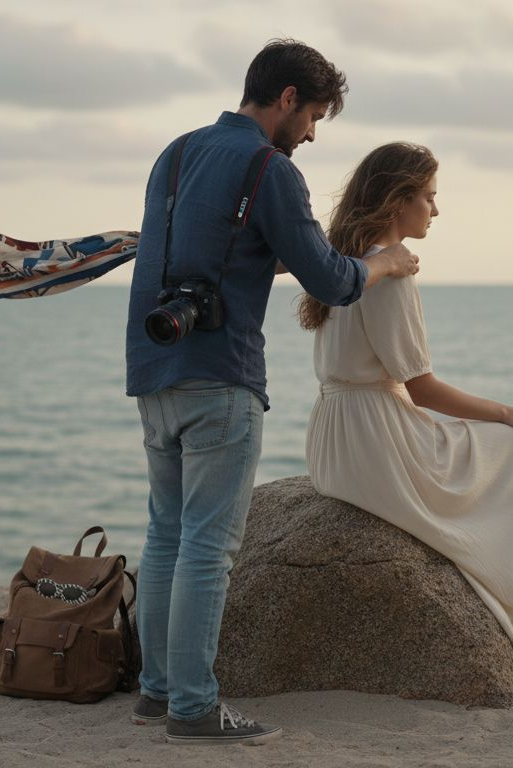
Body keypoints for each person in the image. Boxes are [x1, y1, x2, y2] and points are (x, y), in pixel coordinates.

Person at [124, 41, 419, 744]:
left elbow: (204, 253)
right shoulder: (270, 167)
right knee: (208, 546)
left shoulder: (176, 152)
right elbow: (333, 280)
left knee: (166, 535)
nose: (313, 134)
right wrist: (382, 260)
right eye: (314, 116)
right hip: (221, 374)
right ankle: (193, 707)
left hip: (152, 366)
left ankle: (156, 690)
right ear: (287, 99)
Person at [300, 142, 513, 679]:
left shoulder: (344, 265)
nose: (436, 209)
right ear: (396, 202)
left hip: (336, 440)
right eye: (429, 197)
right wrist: (505, 412)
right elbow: (422, 389)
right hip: (378, 442)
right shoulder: (390, 273)